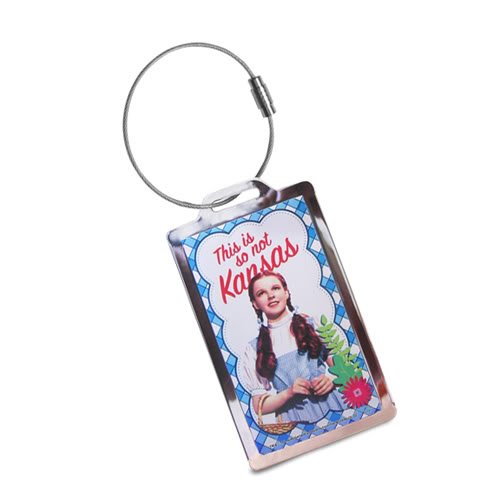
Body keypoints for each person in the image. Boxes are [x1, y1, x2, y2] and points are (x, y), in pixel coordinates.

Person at [240, 270, 346, 425]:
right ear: (255, 304)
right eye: (261, 293)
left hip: (333, 406)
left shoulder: (313, 323)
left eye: (275, 288)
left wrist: (331, 379)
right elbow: (259, 407)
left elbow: (345, 369)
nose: (271, 295)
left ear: (286, 292)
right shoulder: (253, 349)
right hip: (295, 420)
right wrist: (288, 393)